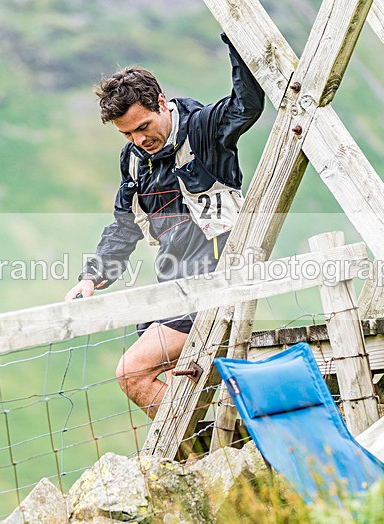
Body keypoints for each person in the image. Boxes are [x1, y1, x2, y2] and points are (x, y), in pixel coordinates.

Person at [65, 34, 264, 418]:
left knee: (133, 373)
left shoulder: (205, 129)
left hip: (218, 284)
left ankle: (205, 458)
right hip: (173, 291)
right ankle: (220, 453)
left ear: (161, 102)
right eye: (127, 134)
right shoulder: (135, 161)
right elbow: (124, 228)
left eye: (143, 126)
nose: (140, 140)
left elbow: (247, 105)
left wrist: (236, 37)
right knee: (181, 384)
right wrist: (92, 277)